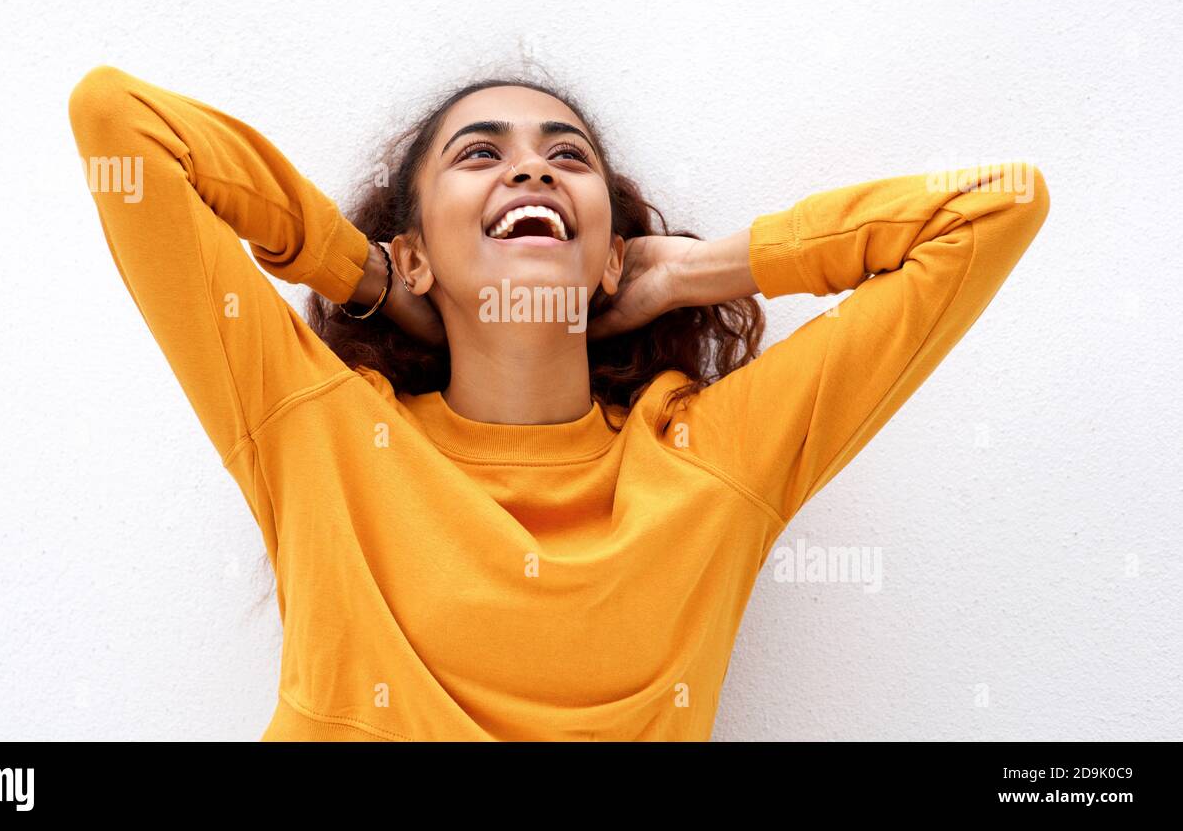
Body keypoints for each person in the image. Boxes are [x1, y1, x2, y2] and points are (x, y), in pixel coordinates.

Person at [67, 64, 1049, 741]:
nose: (531, 167)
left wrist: (704, 269)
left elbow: (999, 203)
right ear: (415, 249)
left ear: (611, 251)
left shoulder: (710, 459)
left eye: (566, 155)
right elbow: (117, 118)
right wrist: (362, 275)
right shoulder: (319, 427)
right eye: (480, 153)